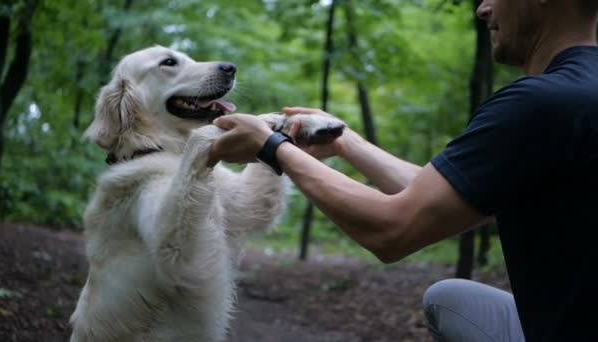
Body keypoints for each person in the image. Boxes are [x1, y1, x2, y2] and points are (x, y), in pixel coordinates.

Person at [207, 0, 598, 340]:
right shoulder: (578, 97)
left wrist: (272, 147)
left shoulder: (540, 104)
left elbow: (391, 230)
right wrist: (346, 142)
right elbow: (443, 197)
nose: (483, 9)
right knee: (451, 299)